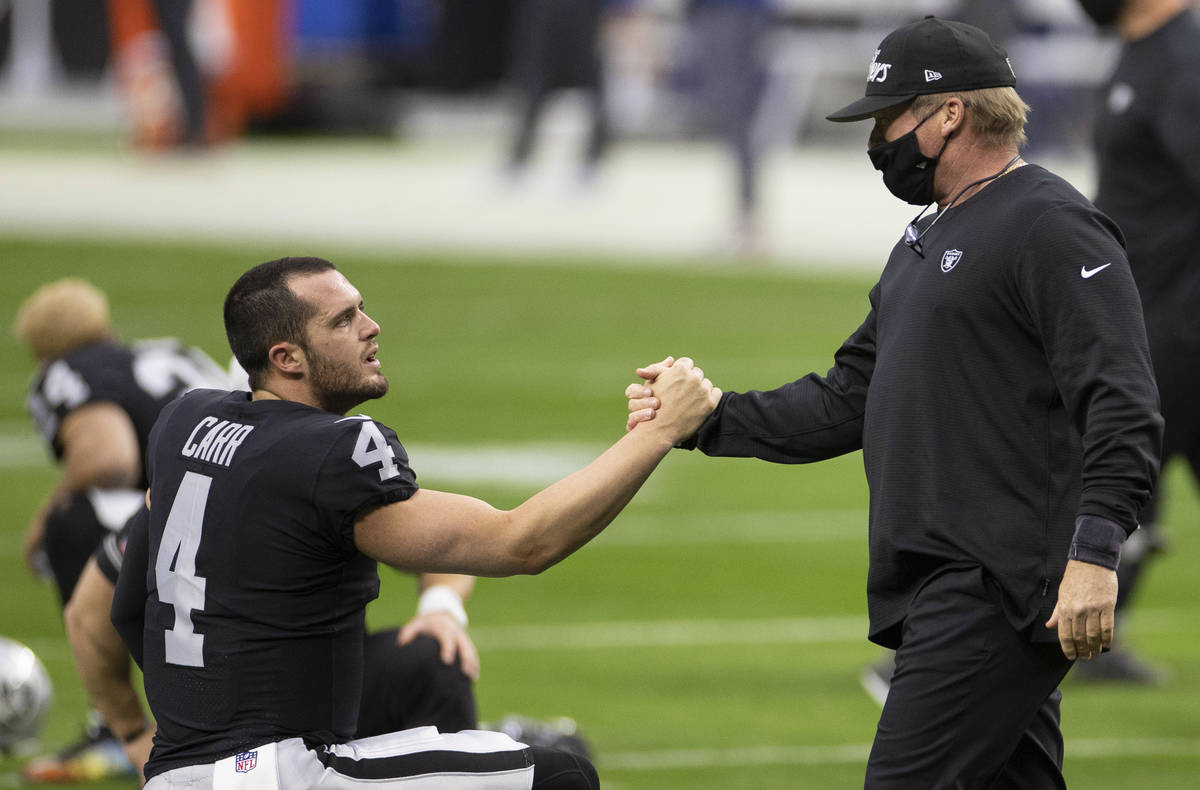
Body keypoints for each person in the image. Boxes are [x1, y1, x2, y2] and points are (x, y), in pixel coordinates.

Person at [626, 16, 1162, 787]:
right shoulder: (924, 238)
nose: (878, 140)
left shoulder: (1051, 224)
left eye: (889, 118)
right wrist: (711, 418)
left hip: (994, 587)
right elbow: (850, 397)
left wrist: (1096, 553)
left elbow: (1122, 396)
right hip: (944, 582)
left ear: (950, 114)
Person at [110, 256, 718, 789]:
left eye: (362, 310)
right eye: (343, 320)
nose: (371, 328)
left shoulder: (186, 423)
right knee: (559, 773)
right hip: (286, 773)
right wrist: (660, 432)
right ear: (286, 357)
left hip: (177, 773)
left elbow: (128, 608)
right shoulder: (330, 452)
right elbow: (522, 543)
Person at [13, 277, 230, 782]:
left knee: (72, 521)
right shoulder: (166, 353)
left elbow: (110, 458)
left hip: (188, 516)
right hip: (251, 499)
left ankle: (115, 724)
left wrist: (48, 512)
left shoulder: (66, 370)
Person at [1072, 0, 1200, 684]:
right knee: (1123, 487)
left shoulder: (1185, 61)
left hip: (1174, 330)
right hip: (1147, 322)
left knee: (1099, 477)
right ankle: (1091, 645)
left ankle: (980, 651)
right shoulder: (1140, 49)